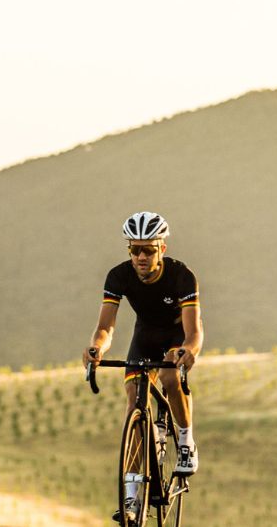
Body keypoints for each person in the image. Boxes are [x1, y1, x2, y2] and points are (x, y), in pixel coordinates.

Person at [83, 211, 204, 522]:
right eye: (134, 249)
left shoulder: (181, 276)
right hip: (145, 335)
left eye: (148, 249)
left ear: (161, 249)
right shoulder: (118, 276)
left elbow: (194, 331)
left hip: (176, 336)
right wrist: (96, 348)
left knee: (167, 375)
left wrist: (188, 351)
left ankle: (186, 438)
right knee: (133, 398)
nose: (140, 256)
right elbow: (106, 327)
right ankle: (133, 498)